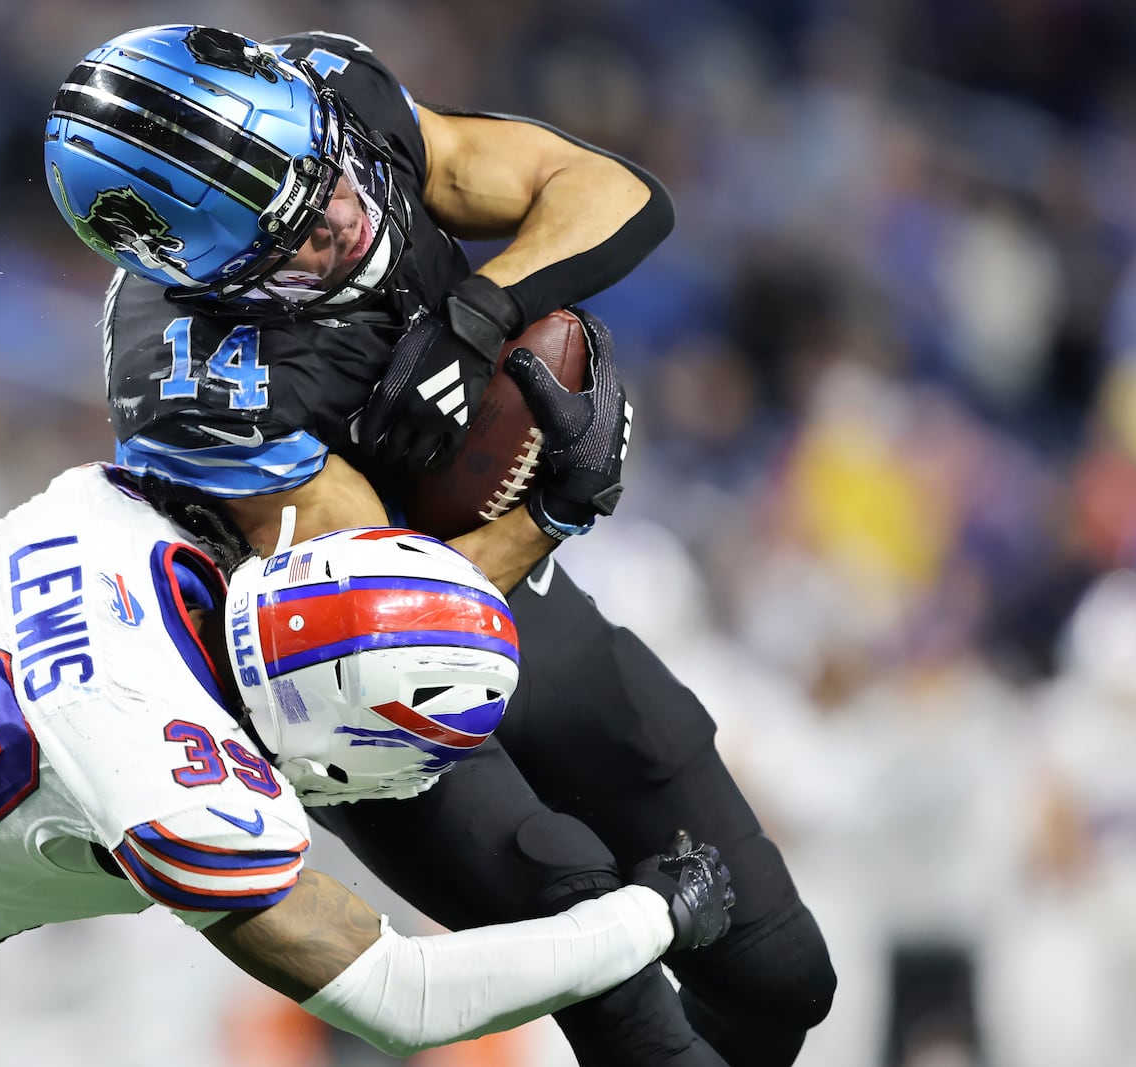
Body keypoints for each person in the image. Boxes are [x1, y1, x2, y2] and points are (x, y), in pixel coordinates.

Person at [45, 24, 836, 1067]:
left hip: (503, 599)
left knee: (783, 973)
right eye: (296, 232)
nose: (344, 212)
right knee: (584, 917)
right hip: (345, 695)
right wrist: (548, 510)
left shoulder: (337, 93)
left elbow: (601, 186)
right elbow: (386, 628)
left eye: (323, 171)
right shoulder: (196, 378)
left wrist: (478, 311)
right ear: (207, 275)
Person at [0, 461, 735, 1066]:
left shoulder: (116, 518)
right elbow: (404, 999)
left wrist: (539, 520)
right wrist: (651, 916)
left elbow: (368, 595)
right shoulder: (186, 789)